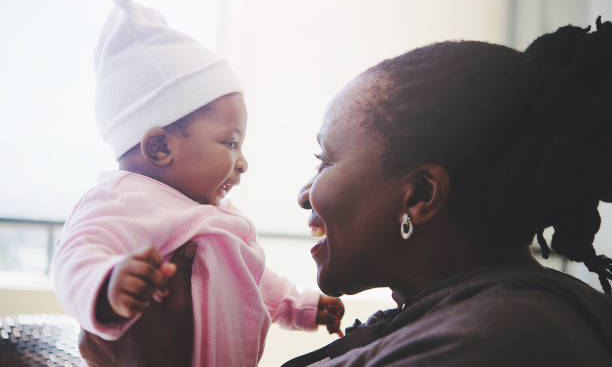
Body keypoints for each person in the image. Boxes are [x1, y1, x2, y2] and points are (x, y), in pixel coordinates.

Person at [78, 18, 612, 366]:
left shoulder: (491, 344)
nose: (304, 195)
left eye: (325, 160)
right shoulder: (461, 315)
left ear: (420, 196)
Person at [52, 0, 344, 367]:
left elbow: (255, 278)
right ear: (159, 147)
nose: (241, 162)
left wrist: (302, 305)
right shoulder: (122, 201)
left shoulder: (217, 217)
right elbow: (75, 257)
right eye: (229, 142)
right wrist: (107, 286)